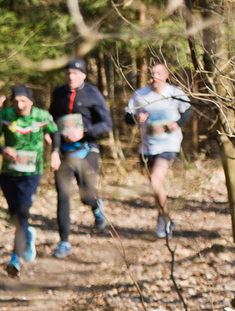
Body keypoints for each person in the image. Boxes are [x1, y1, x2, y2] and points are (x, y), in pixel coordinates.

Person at [0, 84, 61, 277]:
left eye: (23, 101)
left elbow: (55, 131)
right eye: (16, 101)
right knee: (16, 216)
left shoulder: (42, 116)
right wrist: (2, 150)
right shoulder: (5, 116)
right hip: (8, 175)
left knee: (22, 212)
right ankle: (27, 234)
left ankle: (15, 257)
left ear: (31, 101)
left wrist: (55, 151)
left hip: (31, 173)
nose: (20, 105)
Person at [48, 57, 112, 258]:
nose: (71, 77)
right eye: (68, 73)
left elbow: (106, 124)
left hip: (87, 149)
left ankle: (95, 206)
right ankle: (64, 242)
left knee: (86, 194)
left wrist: (84, 131)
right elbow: (53, 121)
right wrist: (53, 144)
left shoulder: (93, 94)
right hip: (64, 154)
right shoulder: (58, 94)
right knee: (63, 196)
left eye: (75, 73)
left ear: (83, 75)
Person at [125, 62, 192, 238]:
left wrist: (176, 124)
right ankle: (165, 217)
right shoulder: (140, 95)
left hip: (168, 145)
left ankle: (163, 220)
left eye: (158, 73)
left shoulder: (175, 93)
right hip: (147, 147)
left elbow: (188, 111)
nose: (155, 77)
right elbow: (128, 116)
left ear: (166, 74)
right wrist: (136, 117)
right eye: (152, 73)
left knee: (156, 181)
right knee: (155, 187)